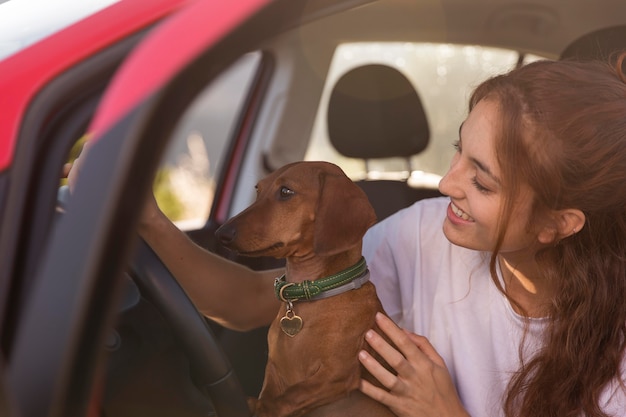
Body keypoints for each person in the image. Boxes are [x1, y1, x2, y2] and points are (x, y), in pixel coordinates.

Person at [69, 55, 626, 417]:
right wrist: (147, 219)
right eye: (460, 149)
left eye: (482, 180)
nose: (448, 181)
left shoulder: (614, 353)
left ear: (560, 223)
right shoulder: (424, 234)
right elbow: (246, 303)